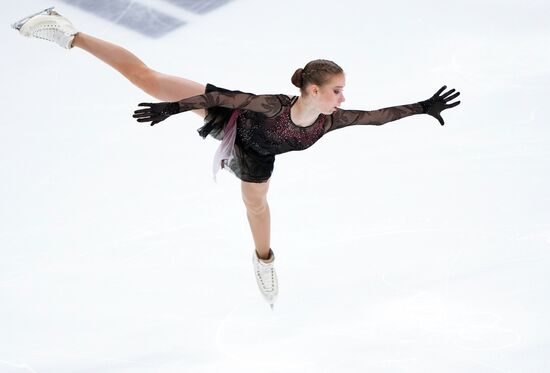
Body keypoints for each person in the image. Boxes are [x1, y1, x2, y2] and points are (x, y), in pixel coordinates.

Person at [12, 7, 461, 309]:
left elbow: (378, 117)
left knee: (256, 205)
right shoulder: (271, 104)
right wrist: (172, 107)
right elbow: (220, 96)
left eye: (343, 90)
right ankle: (69, 32)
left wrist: (424, 107)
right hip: (228, 114)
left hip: (257, 152)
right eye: (337, 90)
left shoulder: (330, 120)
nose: (344, 97)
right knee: (148, 78)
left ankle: (263, 261)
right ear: (312, 91)